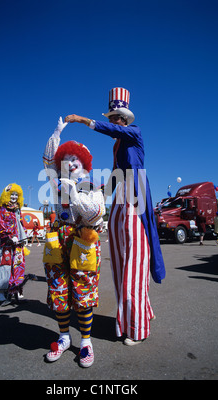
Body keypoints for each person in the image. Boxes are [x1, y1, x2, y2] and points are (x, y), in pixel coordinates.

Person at [65, 87, 166, 345]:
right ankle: (140, 314)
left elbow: (115, 133)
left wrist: (83, 121)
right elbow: (113, 178)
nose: (113, 120)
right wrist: (92, 192)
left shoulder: (134, 132)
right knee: (122, 266)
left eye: (115, 116)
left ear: (124, 118)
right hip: (120, 203)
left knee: (134, 265)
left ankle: (138, 328)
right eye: (111, 116)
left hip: (136, 199)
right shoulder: (118, 145)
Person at [42, 117, 105, 367]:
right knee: (58, 290)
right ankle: (64, 336)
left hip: (83, 241)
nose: (70, 164)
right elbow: (47, 161)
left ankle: (87, 342)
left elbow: (95, 213)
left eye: (74, 161)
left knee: (84, 293)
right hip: (58, 240)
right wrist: (56, 133)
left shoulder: (92, 186)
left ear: (84, 164)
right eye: (66, 161)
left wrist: (74, 194)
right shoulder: (56, 181)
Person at [0, 183, 28, 305]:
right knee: (5, 266)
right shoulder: (1, 209)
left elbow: (21, 224)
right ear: (6, 195)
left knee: (18, 265)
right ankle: (0, 292)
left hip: (17, 243)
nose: (14, 197)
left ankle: (15, 289)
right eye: (11, 194)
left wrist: (23, 238)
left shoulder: (18, 209)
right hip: (6, 243)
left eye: (16, 195)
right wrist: (8, 236)